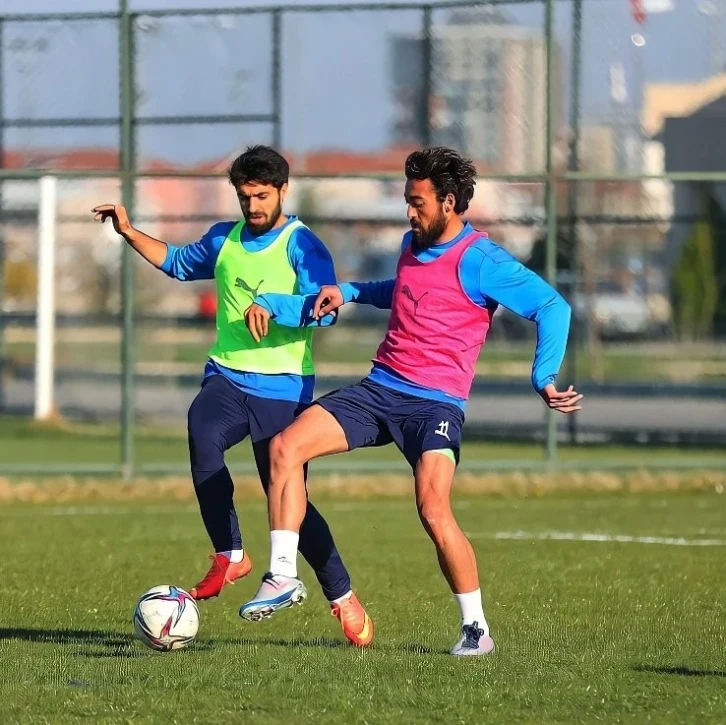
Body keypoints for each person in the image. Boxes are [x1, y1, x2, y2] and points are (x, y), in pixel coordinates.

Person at [240, 147, 582, 656]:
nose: (408, 211)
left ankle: (476, 629)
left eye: (417, 202)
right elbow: (402, 289)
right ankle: (283, 574)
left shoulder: (481, 260)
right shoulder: (411, 244)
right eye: (407, 199)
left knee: (433, 509)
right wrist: (350, 291)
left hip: (435, 406)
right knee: (285, 448)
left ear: (449, 203)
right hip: (380, 389)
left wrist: (544, 376)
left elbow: (553, 306)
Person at [92, 145, 373, 647]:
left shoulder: (303, 245)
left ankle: (342, 594)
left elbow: (326, 308)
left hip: (283, 388)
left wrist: (274, 306)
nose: (253, 206)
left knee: (289, 502)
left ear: (283, 190)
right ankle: (231, 553)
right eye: (245, 197)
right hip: (226, 376)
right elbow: (177, 263)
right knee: (202, 433)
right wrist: (130, 232)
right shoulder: (225, 238)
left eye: (262, 196)